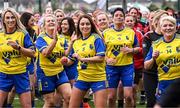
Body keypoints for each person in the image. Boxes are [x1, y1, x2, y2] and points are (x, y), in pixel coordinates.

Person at [62, 14, 107, 108]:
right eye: (82, 24)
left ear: (91, 25)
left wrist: (82, 59)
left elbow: (101, 58)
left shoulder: (96, 38)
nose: (85, 26)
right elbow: (71, 60)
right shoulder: (76, 41)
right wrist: (65, 61)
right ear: (78, 26)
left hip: (98, 78)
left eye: (87, 24)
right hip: (81, 78)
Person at [103, 8, 140, 108]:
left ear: (124, 18)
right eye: (116, 15)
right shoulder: (106, 33)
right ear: (113, 18)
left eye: (121, 15)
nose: (119, 17)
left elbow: (138, 48)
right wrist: (107, 59)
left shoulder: (130, 32)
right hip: (111, 68)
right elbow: (100, 52)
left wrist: (130, 50)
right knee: (110, 98)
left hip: (127, 67)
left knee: (128, 96)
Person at [0, 8, 35, 108]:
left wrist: (18, 47)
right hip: (4, 75)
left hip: (20, 74)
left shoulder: (23, 34)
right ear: (3, 20)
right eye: (7, 18)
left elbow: (32, 53)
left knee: (27, 106)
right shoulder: (0, 35)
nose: (10, 20)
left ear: (16, 19)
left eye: (12, 17)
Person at [35, 14, 71, 108]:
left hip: (60, 72)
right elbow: (45, 53)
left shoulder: (62, 38)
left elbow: (66, 53)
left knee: (69, 97)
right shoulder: (41, 38)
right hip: (45, 73)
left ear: (56, 25)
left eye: (53, 21)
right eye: (48, 21)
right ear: (44, 26)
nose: (51, 22)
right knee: (50, 102)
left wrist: (71, 43)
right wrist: (54, 40)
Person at [144, 15, 180, 101]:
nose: (168, 28)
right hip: (164, 81)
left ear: (175, 27)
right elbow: (146, 66)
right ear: (161, 28)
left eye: (171, 25)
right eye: (165, 25)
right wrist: (153, 58)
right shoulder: (156, 44)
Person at [142, 10, 168, 107]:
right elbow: (146, 61)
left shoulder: (171, 36)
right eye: (163, 18)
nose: (166, 21)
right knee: (152, 101)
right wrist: (153, 58)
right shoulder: (148, 36)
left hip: (167, 73)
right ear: (157, 21)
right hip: (151, 73)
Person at [124, 14, 145, 106]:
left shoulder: (139, 34)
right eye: (127, 21)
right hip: (123, 65)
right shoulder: (120, 34)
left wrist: (132, 51)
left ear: (134, 22)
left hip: (136, 65)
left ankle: (134, 106)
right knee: (124, 90)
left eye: (131, 21)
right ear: (124, 22)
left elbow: (142, 49)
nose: (129, 22)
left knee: (133, 88)